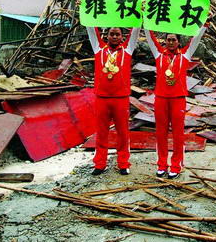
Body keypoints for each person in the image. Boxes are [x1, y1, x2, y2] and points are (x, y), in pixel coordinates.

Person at [145, 25, 207, 179]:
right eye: (168, 40)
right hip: (161, 99)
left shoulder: (185, 54)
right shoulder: (159, 54)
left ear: (179, 42)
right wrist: (145, 21)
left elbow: (196, 39)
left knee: (178, 134)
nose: (171, 42)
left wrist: (205, 24)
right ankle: (161, 165)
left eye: (174, 40)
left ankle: (176, 165)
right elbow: (150, 38)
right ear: (165, 41)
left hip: (178, 99)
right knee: (161, 134)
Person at [87, 26, 139, 176]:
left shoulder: (127, 50)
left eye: (117, 34)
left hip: (121, 99)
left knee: (123, 133)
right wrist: (85, 13)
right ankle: (100, 164)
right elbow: (91, 29)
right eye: (112, 34)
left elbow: (135, 31)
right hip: (101, 98)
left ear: (122, 37)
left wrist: (139, 17)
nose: (115, 37)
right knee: (101, 132)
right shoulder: (99, 48)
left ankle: (123, 163)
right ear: (107, 36)